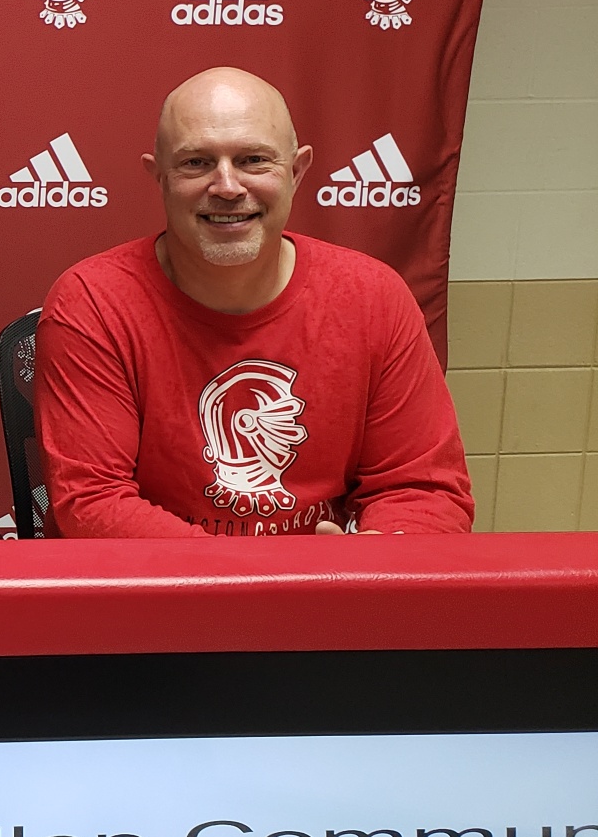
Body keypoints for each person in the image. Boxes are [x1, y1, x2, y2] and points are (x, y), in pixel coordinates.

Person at [35, 67, 472, 537]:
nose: (226, 187)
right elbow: (93, 503)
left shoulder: (374, 298)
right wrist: (260, 581)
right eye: (196, 163)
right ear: (158, 176)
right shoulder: (94, 303)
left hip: (325, 594)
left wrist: (373, 559)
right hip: (158, 598)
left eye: (253, 160)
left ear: (298, 171)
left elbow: (423, 490)